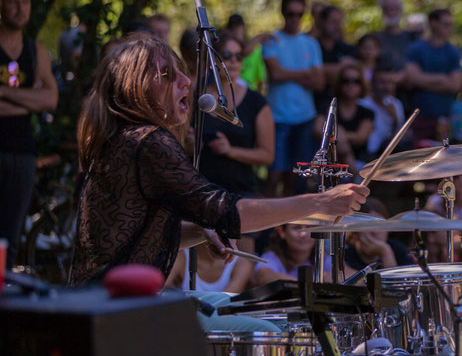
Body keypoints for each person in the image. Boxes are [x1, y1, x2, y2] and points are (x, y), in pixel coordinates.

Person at [69, 35, 367, 286]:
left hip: (98, 305)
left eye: (183, 71)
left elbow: (145, 236)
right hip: (115, 315)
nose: (186, 82)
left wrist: (202, 231)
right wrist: (320, 204)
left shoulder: (122, 136)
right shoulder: (149, 142)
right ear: (137, 87)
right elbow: (228, 213)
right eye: (168, 75)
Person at [0, 0, 58, 268]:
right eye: (13, 1)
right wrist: (26, 98)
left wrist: (5, 95)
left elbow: (50, 99)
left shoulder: (36, 51)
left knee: (11, 236)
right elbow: (38, 98)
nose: (20, 9)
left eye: (25, 2)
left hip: (23, 152)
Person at [262, 0, 324, 197]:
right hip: (278, 118)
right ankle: (266, 224)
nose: (295, 18)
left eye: (299, 14)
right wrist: (305, 73)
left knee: (297, 177)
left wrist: (288, 74)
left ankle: (290, 227)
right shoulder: (272, 40)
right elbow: (275, 74)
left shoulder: (310, 43)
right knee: (274, 175)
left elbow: (319, 82)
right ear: (283, 13)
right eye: (291, 14)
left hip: (305, 118)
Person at [201, 30, 274, 197]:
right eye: (226, 55)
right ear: (213, 60)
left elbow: (267, 156)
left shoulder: (256, 102)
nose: (233, 61)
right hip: (201, 191)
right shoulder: (199, 98)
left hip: (241, 192)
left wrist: (229, 150)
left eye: (239, 56)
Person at [405, 8, 462, 141]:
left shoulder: (453, 52)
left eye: (450, 24)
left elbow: (455, 85)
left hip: (444, 117)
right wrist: (442, 79)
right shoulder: (416, 49)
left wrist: (423, 82)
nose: (449, 28)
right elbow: (412, 78)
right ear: (433, 23)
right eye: (445, 24)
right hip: (419, 117)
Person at [313, 64, 374, 170]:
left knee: (338, 135)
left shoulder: (367, 112)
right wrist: (338, 136)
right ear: (339, 84)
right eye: (346, 80)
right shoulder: (328, 108)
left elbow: (361, 137)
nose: (351, 85)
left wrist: (338, 135)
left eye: (356, 81)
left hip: (361, 162)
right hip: (329, 163)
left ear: (362, 85)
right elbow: (316, 129)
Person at [343, 198, 413, 277]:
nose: (375, 231)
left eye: (380, 225)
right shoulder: (345, 254)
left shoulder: (398, 249)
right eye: (369, 225)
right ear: (356, 228)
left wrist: (386, 252)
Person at [253, 223, 331, 285]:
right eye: (297, 228)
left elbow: (340, 276)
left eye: (309, 227)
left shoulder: (325, 258)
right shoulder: (272, 257)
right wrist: (314, 284)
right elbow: (264, 276)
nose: (303, 234)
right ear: (281, 232)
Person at [357, 64, 405, 157]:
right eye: (382, 82)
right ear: (372, 83)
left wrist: (395, 118)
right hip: (366, 154)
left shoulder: (396, 104)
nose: (387, 87)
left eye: (390, 82)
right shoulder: (362, 104)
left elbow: (400, 136)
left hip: (388, 153)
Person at [314, 5, 356, 113]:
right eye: (333, 22)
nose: (337, 27)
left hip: (340, 109)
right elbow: (310, 74)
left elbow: (352, 74)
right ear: (322, 22)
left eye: (339, 22)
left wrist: (321, 70)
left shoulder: (348, 49)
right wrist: (340, 67)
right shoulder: (311, 46)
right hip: (314, 107)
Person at [225, 13, 271, 93]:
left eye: (238, 27)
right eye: (232, 27)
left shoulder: (256, 50)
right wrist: (260, 37)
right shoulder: (225, 51)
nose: (236, 30)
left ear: (244, 28)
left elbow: (260, 79)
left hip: (250, 93)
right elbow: (245, 52)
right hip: (232, 93)